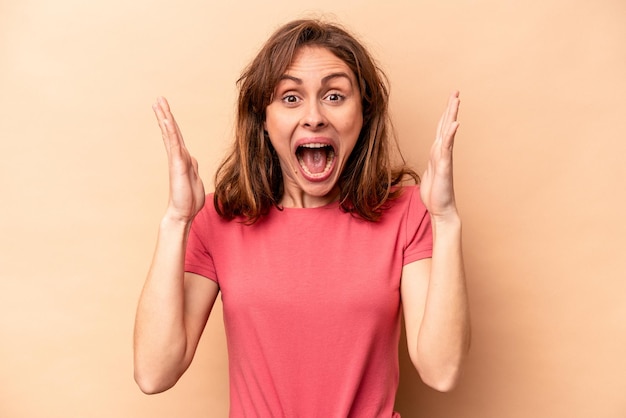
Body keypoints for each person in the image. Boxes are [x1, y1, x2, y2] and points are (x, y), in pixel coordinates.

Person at [133, 18, 470, 417]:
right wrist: (176, 221)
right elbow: (154, 373)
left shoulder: (408, 212)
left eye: (334, 96)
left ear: (363, 113)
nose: (313, 116)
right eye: (291, 98)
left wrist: (445, 219)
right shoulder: (217, 219)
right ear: (263, 118)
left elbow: (442, 370)